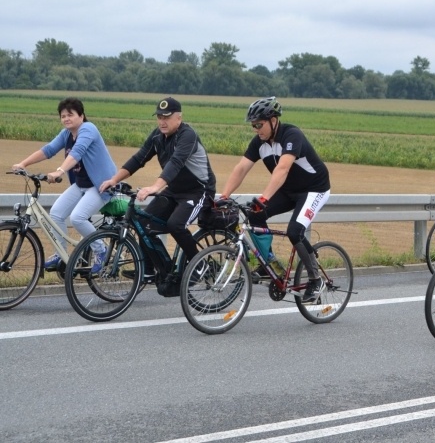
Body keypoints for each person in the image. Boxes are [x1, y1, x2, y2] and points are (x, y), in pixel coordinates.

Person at [219, 97, 331, 304]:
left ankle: (316, 279)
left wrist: (264, 197)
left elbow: (283, 169)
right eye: (253, 125)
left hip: (314, 190)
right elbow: (241, 168)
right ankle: (268, 263)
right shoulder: (259, 143)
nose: (256, 129)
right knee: (254, 215)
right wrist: (223, 197)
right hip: (288, 190)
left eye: (259, 125)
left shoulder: (291, 135)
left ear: (273, 120)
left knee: (294, 231)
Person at [99, 97, 216, 278]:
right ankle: (153, 268)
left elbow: (176, 163)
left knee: (175, 225)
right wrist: (114, 179)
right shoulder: (157, 137)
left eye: (166, 117)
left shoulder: (187, 135)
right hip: (174, 190)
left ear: (179, 118)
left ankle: (201, 266)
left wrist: (155, 187)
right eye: (159, 117)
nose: (162, 121)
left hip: (199, 191)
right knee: (143, 223)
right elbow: (138, 159)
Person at [11, 97, 117, 273]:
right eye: (63, 116)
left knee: (77, 218)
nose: (66, 119)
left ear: (81, 116)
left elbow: (78, 151)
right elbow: (48, 150)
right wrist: (23, 164)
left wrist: (59, 171)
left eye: (70, 115)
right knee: (56, 213)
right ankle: (60, 255)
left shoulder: (88, 129)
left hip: (101, 185)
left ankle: (101, 250)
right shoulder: (67, 134)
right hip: (81, 185)